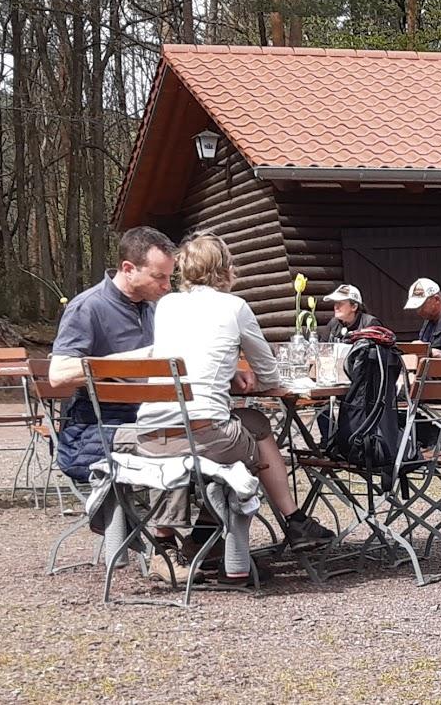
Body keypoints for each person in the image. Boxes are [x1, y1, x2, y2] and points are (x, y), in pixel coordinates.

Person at [132, 233, 334, 582]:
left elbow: (190, 357)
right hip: (202, 435)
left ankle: (203, 541)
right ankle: (287, 524)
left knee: (247, 424)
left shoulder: (165, 306)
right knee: (252, 438)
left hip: (149, 434)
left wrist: (229, 375)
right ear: (225, 268)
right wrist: (250, 374)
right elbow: (269, 373)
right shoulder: (234, 307)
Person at [49, 226, 177, 483]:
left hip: (148, 420)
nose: (167, 286)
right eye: (159, 277)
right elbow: (57, 375)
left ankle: (186, 524)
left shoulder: (154, 309)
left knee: (216, 442)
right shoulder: (88, 307)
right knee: (184, 452)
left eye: (170, 277)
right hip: (95, 429)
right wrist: (131, 362)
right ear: (128, 269)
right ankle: (131, 522)